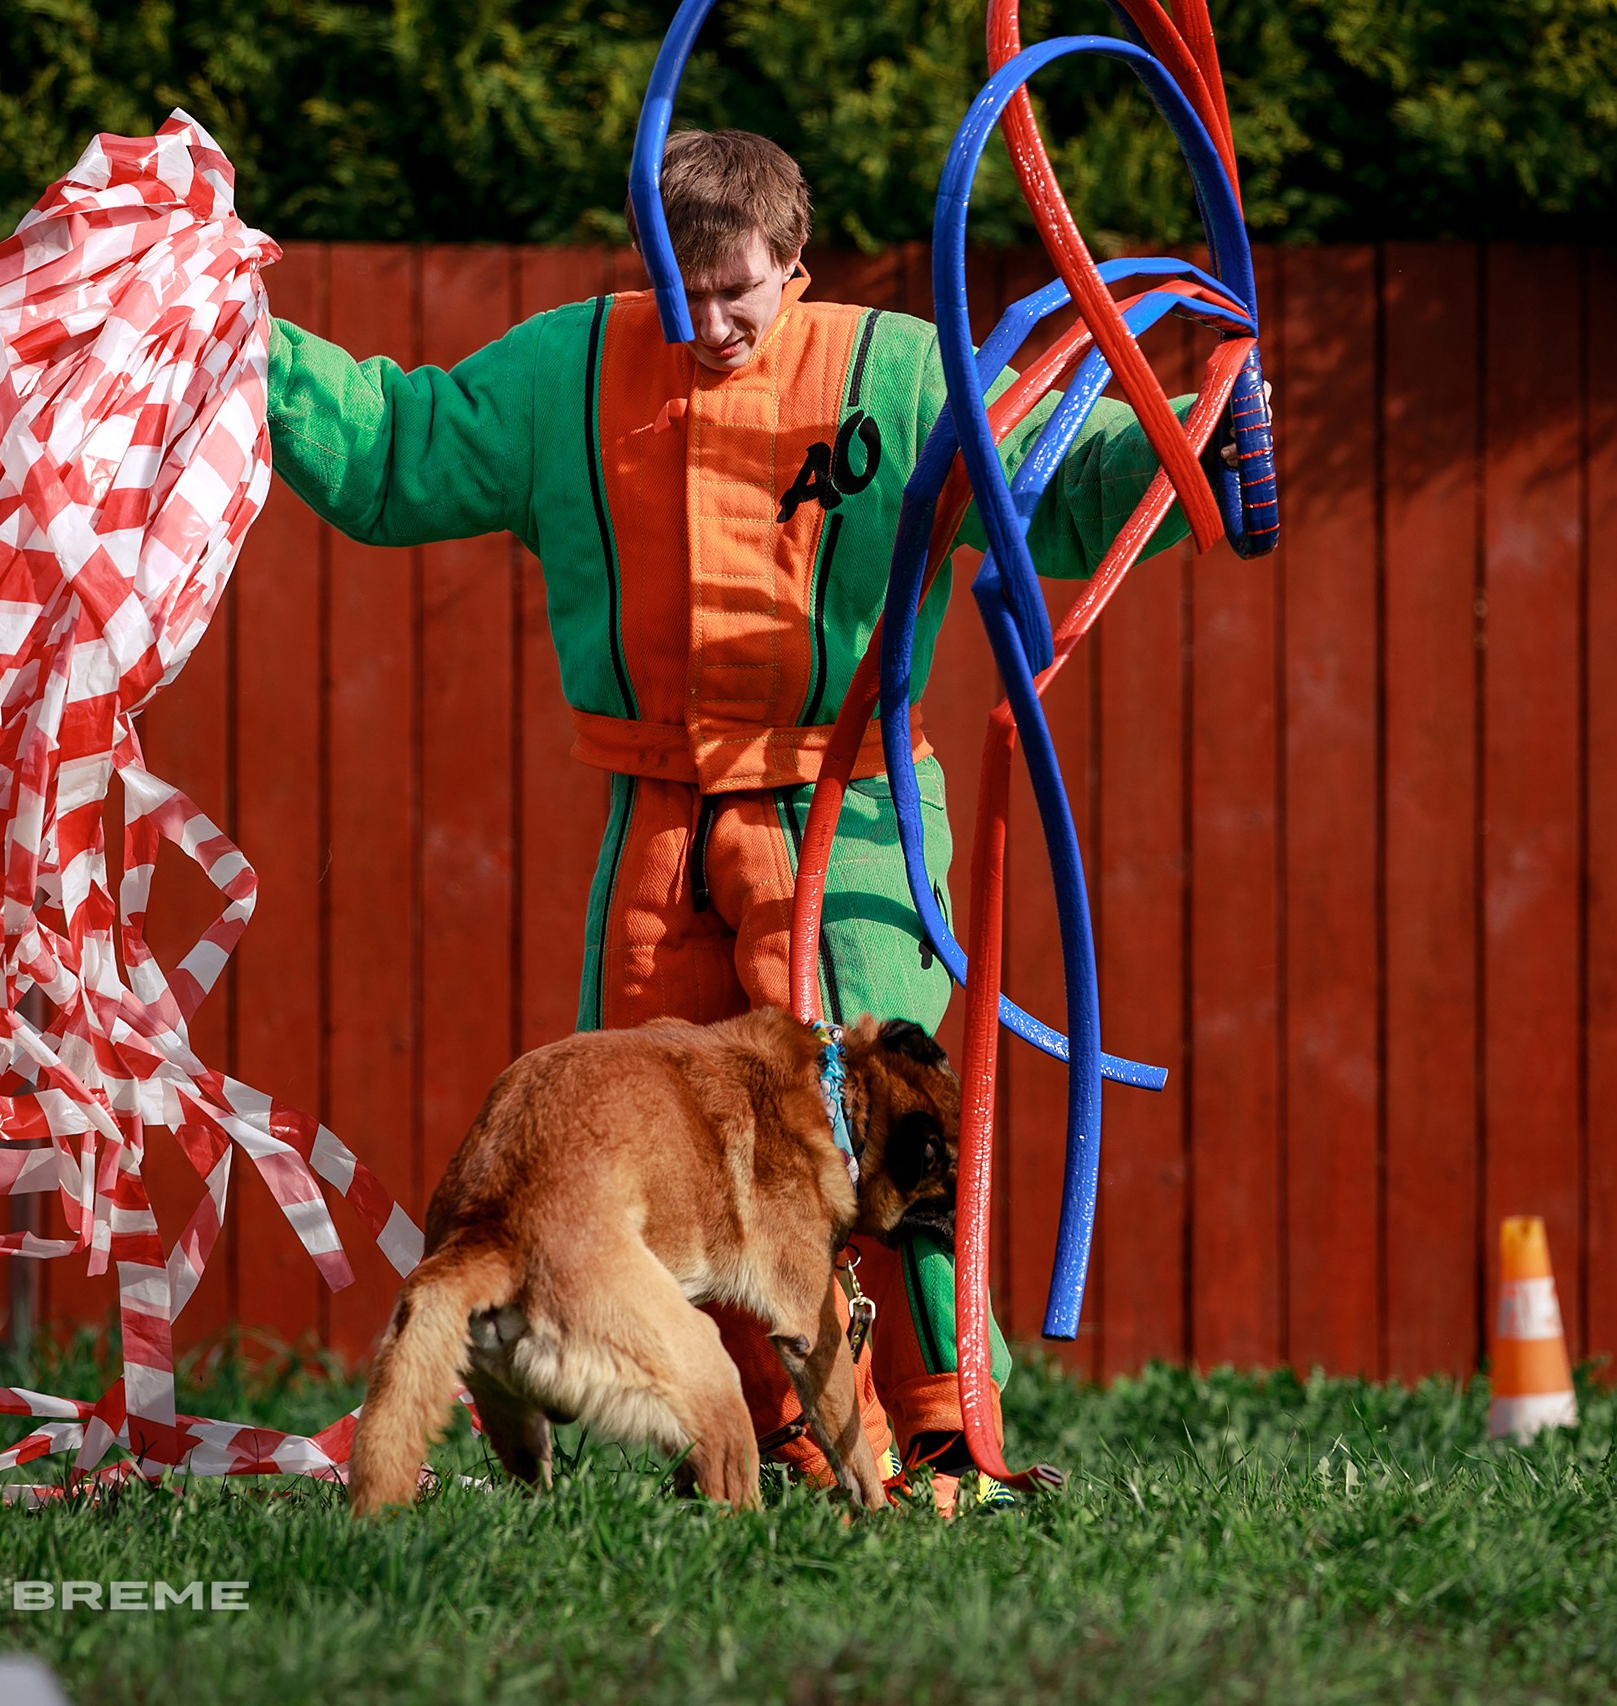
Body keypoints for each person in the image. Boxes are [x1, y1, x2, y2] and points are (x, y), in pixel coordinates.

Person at [265, 128, 1212, 1511]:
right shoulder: (571, 369)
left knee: (900, 1127)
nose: (706, 326)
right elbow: (399, 447)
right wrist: (238, 339)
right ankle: (770, 1432)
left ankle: (953, 1427)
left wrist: (1196, 449)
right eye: (680, 292)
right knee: (669, 1152)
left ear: (797, 272)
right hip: (657, 821)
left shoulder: (889, 370)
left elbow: (1059, 471)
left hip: (857, 806)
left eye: (739, 296)